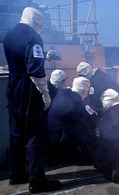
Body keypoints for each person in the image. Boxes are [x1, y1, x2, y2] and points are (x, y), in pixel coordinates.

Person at [3, 7, 61, 193]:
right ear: (37, 21)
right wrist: (45, 93)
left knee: (16, 132)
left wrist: (45, 55)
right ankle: (37, 180)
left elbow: (23, 56)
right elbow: (35, 70)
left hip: (13, 85)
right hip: (29, 88)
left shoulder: (10, 34)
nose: (41, 27)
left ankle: (16, 174)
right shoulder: (33, 36)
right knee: (35, 133)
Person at [48, 77, 99, 164]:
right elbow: (91, 117)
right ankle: (88, 155)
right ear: (83, 89)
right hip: (61, 138)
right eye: (87, 89)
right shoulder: (75, 101)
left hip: (54, 134)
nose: (87, 91)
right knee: (87, 128)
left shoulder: (64, 92)